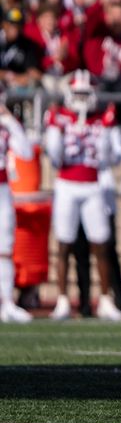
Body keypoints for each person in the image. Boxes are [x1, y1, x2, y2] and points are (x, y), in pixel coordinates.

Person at [45, 70, 121, 321]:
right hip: (67, 184)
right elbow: (54, 156)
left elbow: (115, 157)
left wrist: (102, 142)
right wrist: (60, 130)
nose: (81, 99)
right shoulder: (59, 116)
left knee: (100, 243)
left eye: (85, 94)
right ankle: (62, 300)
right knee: (64, 242)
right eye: (77, 93)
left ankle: (105, 299)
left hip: (93, 185)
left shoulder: (102, 119)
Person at [0, 83, 32, 323]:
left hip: (2, 189)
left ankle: (7, 302)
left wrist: (10, 122)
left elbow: (26, 152)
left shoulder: (6, 125)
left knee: (5, 249)